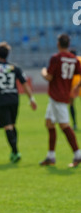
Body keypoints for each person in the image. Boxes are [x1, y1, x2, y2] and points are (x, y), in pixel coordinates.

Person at [0, 41, 37, 163]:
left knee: (7, 126)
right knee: (12, 125)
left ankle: (15, 151)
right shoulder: (15, 67)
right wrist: (32, 99)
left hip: (2, 99)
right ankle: (14, 152)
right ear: (8, 54)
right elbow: (25, 84)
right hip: (14, 99)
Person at [40, 34, 81, 168]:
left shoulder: (56, 58)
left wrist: (43, 71)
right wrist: (76, 87)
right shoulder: (74, 59)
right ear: (68, 45)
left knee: (64, 125)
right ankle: (51, 156)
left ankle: (78, 154)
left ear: (58, 44)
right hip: (60, 95)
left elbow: (49, 77)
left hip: (57, 96)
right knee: (49, 123)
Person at [69, 49, 81, 130]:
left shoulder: (69, 61)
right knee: (71, 104)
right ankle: (74, 124)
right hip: (77, 84)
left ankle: (74, 124)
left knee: (71, 104)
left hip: (72, 85)